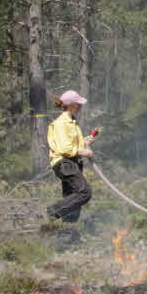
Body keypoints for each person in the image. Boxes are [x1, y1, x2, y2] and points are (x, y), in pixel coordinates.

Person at [45, 89, 93, 234]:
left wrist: (85, 142)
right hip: (64, 163)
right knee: (84, 192)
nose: (80, 106)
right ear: (71, 105)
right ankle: (49, 213)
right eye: (78, 104)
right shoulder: (62, 123)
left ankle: (66, 236)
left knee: (72, 201)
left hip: (71, 163)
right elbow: (65, 148)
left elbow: (72, 145)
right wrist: (85, 152)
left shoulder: (72, 122)